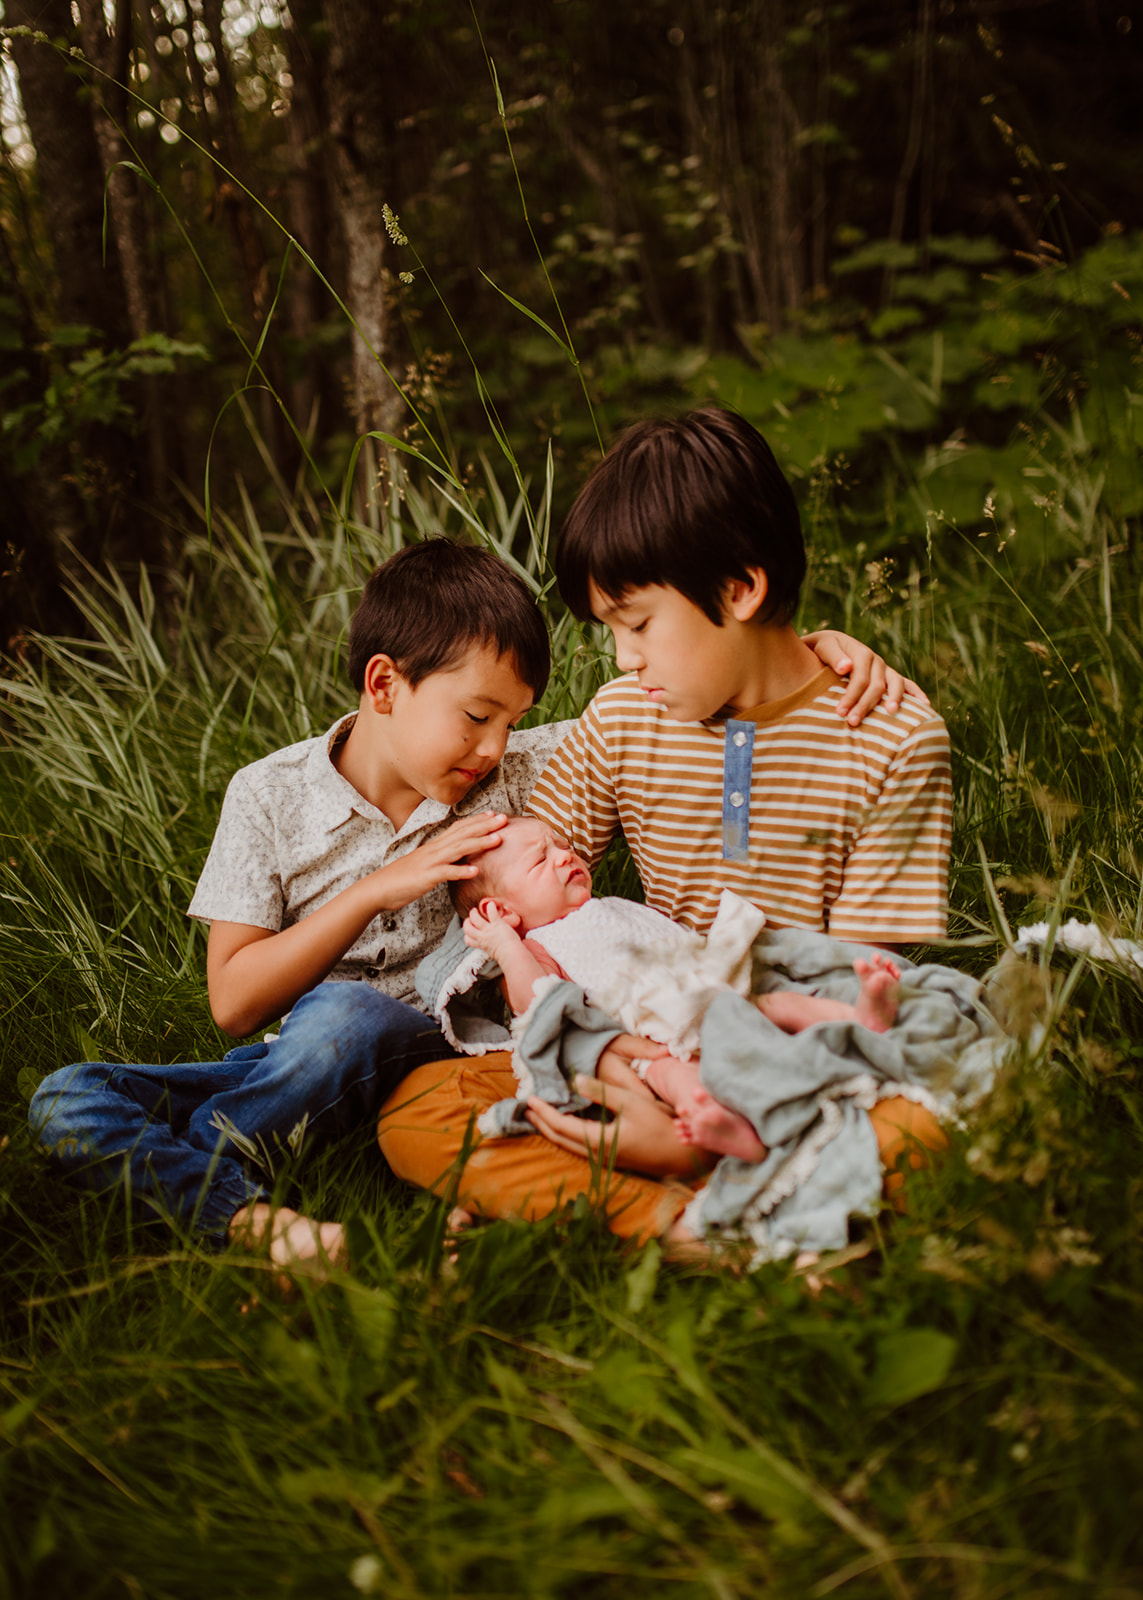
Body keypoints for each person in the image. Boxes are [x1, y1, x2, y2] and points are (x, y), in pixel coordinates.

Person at [28, 535, 890, 1272]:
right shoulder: (268, 798)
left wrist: (805, 648)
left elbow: (671, 710)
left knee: (349, 1023)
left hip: (457, 1053)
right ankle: (258, 1220)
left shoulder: (515, 770)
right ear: (383, 684)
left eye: (513, 722)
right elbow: (232, 1002)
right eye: (476, 716)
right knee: (67, 1097)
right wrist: (378, 889)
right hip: (307, 1069)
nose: (494, 747)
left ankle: (185, 1172)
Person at [378, 409, 953, 1248]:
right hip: (633, 1036)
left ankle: (672, 1189)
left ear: (739, 590)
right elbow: (520, 883)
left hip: (784, 1054)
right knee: (417, 1108)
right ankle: (696, 1218)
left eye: (637, 625)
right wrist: (625, 1068)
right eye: (610, 631)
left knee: (924, 1129)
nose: (621, 660)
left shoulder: (894, 738)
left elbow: (862, 986)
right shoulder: (623, 717)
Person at [453, 814, 903, 1163]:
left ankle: (860, 1019)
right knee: (674, 1076)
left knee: (777, 1002)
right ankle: (726, 1129)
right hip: (655, 1035)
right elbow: (537, 1004)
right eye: (540, 859)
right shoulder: (538, 945)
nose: (564, 855)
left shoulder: (607, 905)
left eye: (563, 845)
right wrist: (505, 944)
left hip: (707, 993)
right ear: (500, 910)